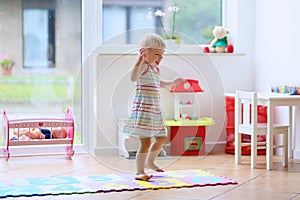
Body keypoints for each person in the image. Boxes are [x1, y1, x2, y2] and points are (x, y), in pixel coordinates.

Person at [123, 33, 184, 181]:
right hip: (144, 110)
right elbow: (133, 77)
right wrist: (139, 60)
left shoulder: (154, 70)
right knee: (146, 142)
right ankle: (139, 171)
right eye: (157, 54)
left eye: (162, 54)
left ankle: (150, 161)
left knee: (162, 138)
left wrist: (171, 83)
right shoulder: (143, 66)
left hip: (155, 110)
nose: (160, 58)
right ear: (145, 52)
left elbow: (158, 83)